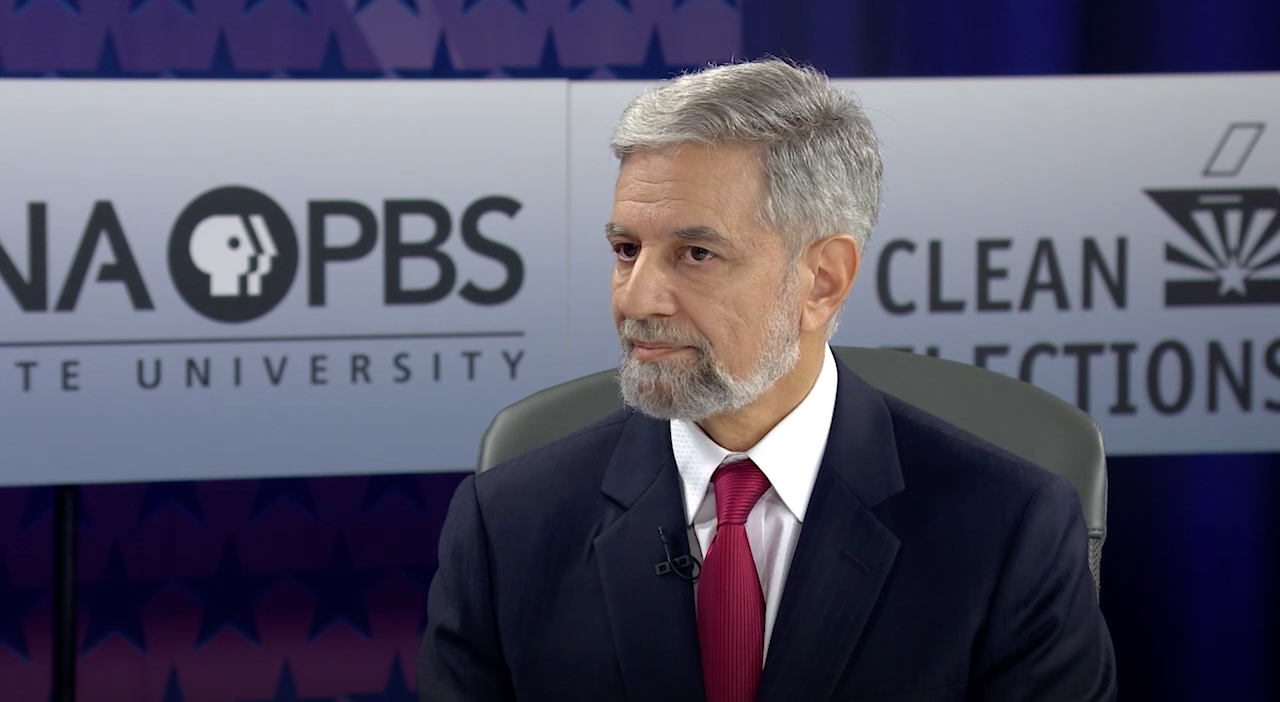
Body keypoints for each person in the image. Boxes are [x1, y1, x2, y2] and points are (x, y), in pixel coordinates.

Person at [417, 59, 1117, 702]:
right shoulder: (505, 526)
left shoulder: (1008, 530)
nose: (636, 298)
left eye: (696, 253)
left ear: (823, 280)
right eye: (626, 250)